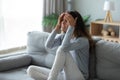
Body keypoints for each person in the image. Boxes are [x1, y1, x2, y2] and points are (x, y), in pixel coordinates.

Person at [27, 10, 94, 80]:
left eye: (66, 21)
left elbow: (64, 47)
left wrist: (71, 27)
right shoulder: (63, 37)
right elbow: (48, 45)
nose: (62, 23)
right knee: (31, 70)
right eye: (62, 20)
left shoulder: (82, 40)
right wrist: (57, 26)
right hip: (64, 75)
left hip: (79, 76)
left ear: (74, 23)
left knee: (61, 49)